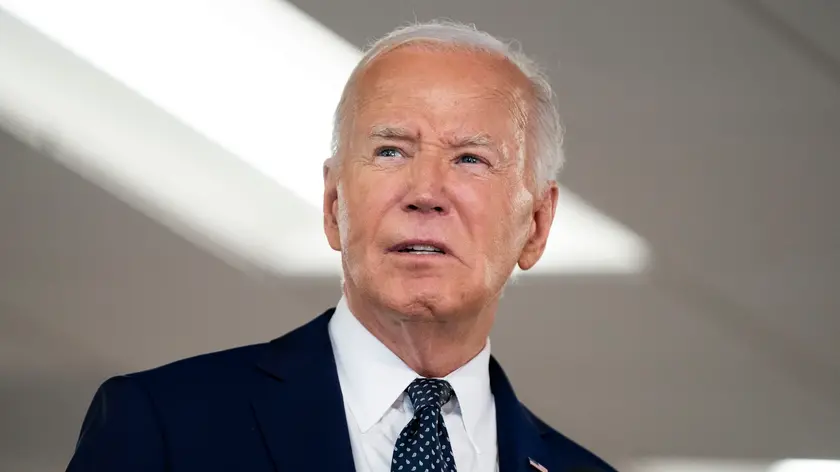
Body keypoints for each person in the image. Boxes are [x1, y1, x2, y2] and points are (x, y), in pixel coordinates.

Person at [66, 21, 617, 472]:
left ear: (537, 225)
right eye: (390, 152)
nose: (425, 192)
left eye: (470, 159)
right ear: (334, 206)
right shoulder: (163, 427)